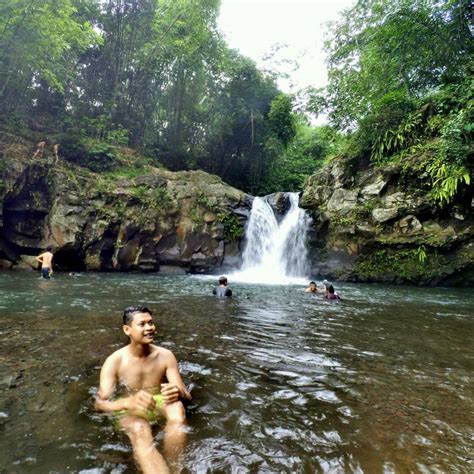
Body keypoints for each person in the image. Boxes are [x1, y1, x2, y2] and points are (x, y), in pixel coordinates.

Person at [95, 305, 192, 474]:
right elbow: (100, 404)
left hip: (157, 402)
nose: (150, 328)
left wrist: (178, 392)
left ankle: (176, 468)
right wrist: (127, 402)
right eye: (142, 324)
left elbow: (186, 395)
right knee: (140, 428)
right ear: (127, 330)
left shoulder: (165, 356)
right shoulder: (114, 361)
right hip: (130, 409)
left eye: (151, 323)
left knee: (177, 408)